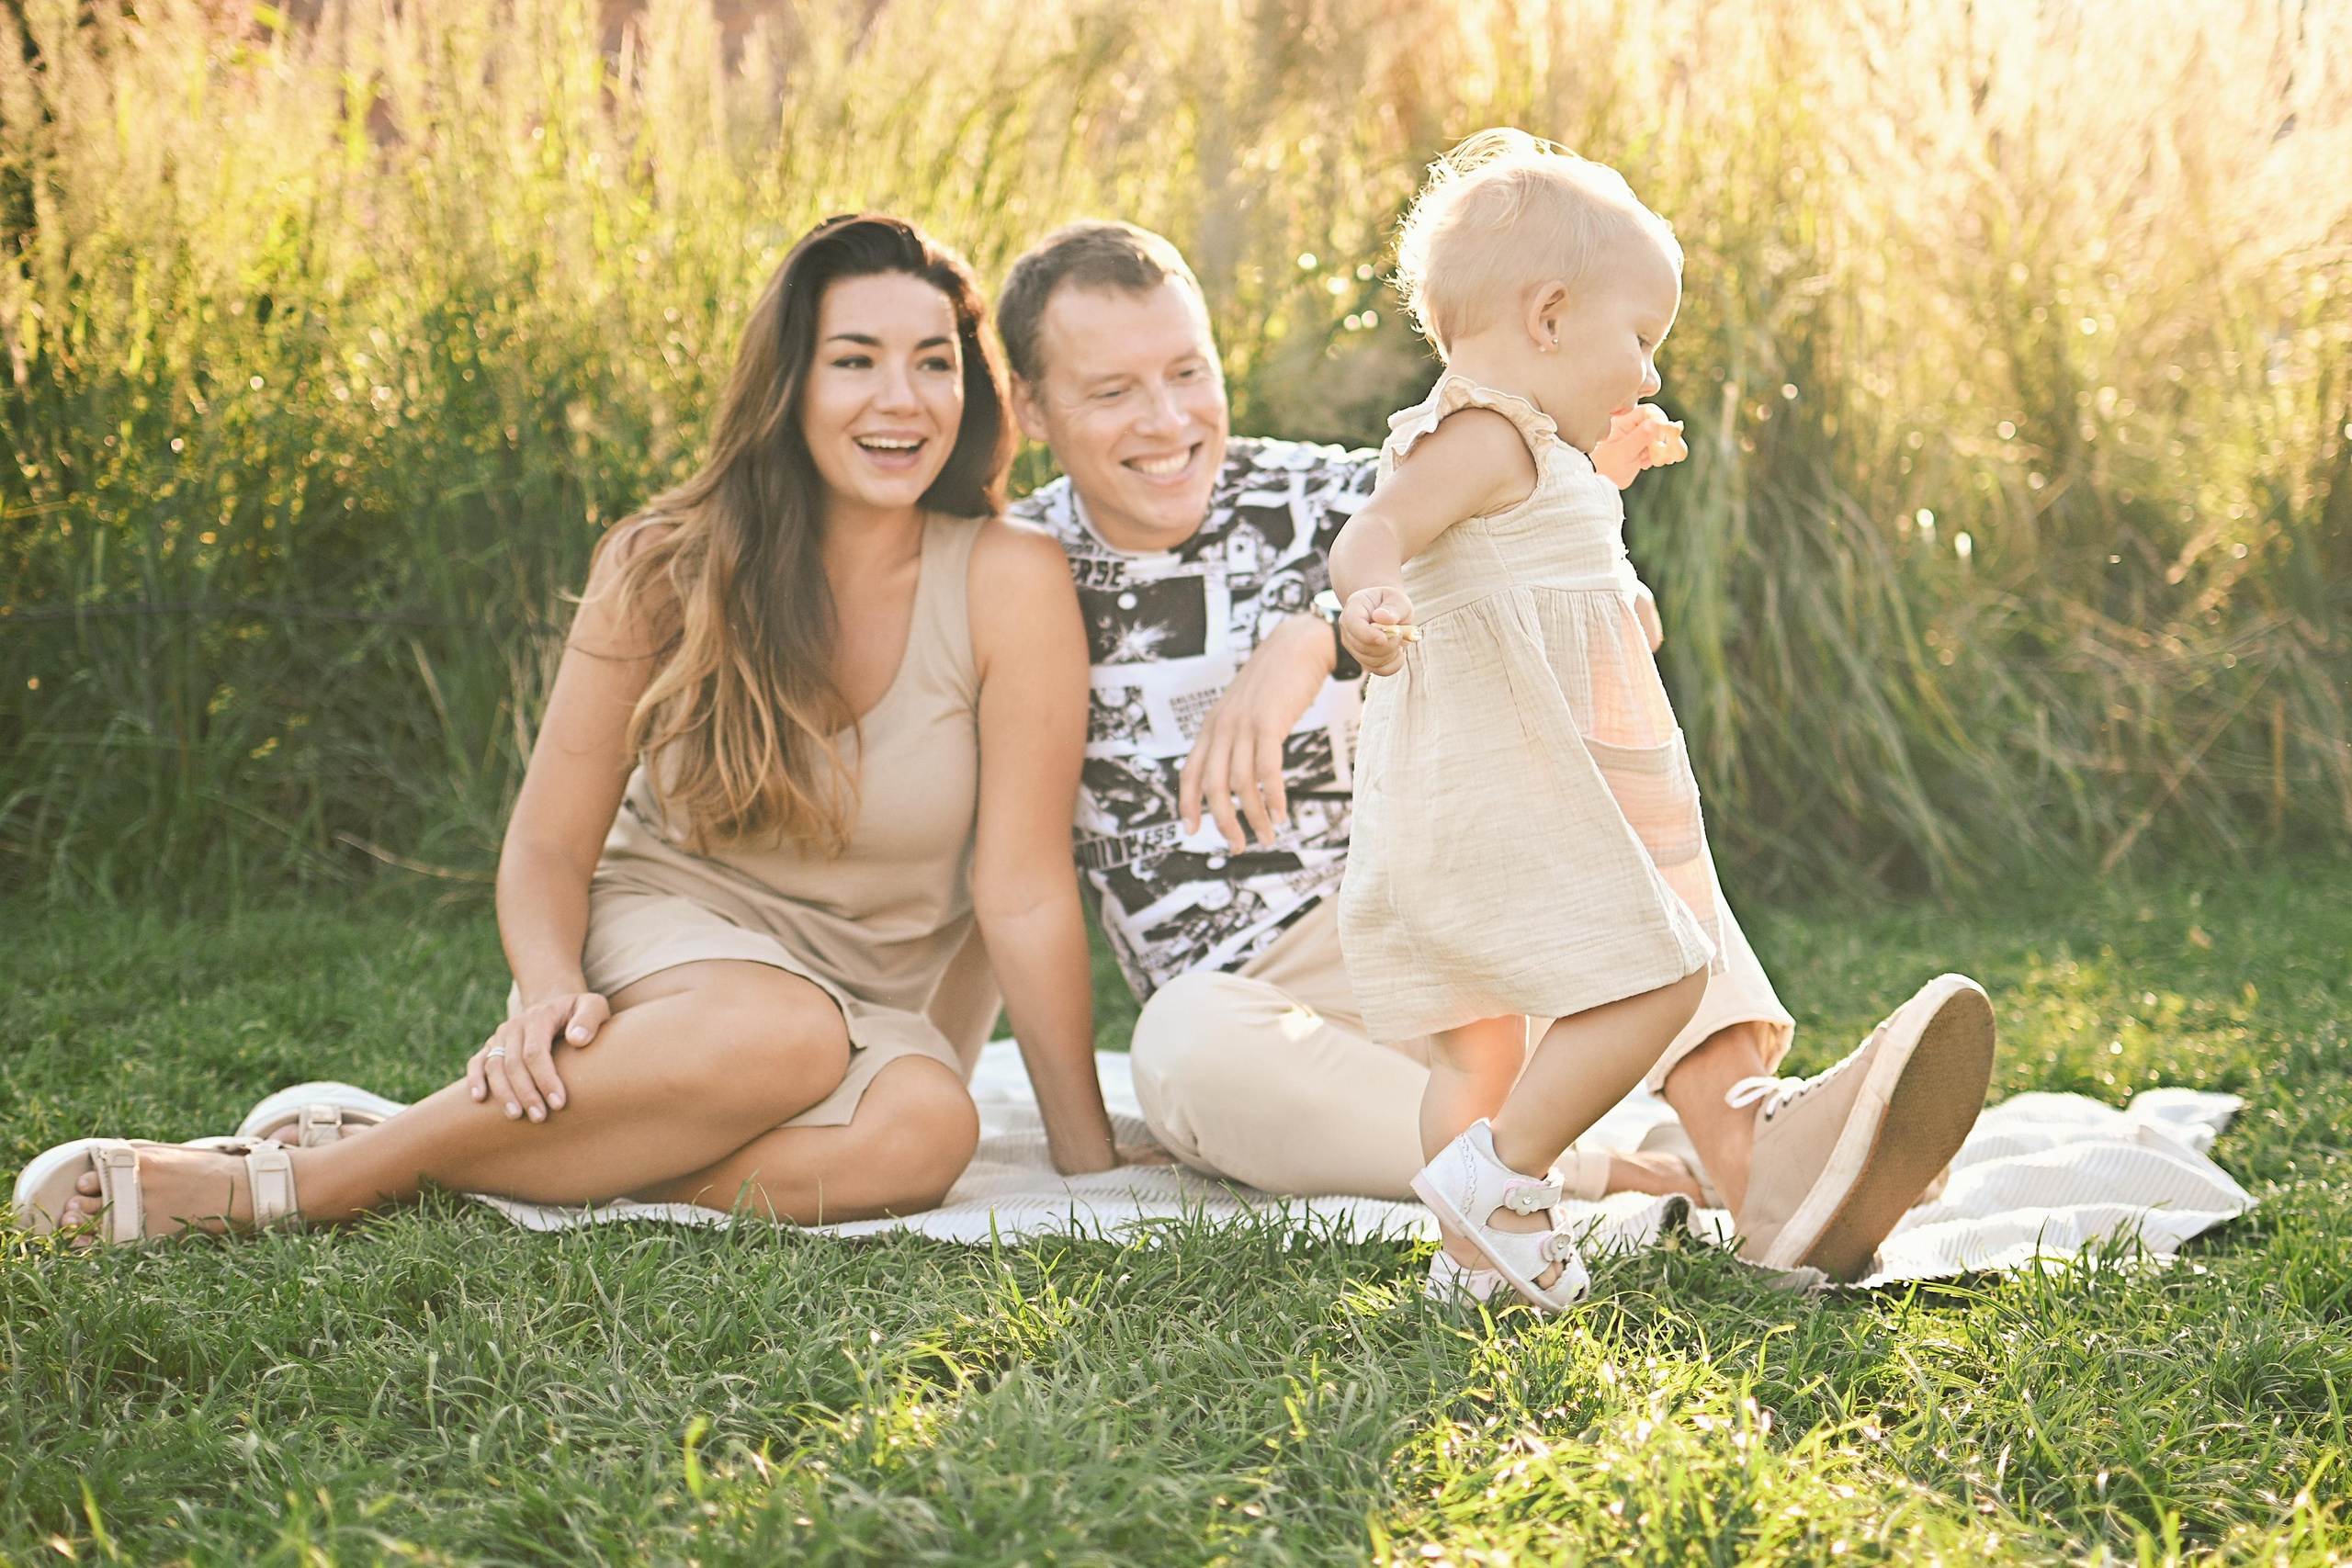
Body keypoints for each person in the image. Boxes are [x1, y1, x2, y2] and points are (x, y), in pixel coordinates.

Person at [16, 214, 1136, 1244]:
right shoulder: (662, 564)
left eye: (933, 362)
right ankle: (294, 1187)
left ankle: (446, 1156)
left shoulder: (1009, 578)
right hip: (670, 956)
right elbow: (550, 842)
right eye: (855, 361)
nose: (903, 399)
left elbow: (1023, 888)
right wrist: (553, 988)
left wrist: (1089, 1162)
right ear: (789, 382)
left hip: (871, 1003)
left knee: (926, 1135)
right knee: (778, 1030)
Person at [997, 206, 1995, 1290]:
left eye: (1188, 372)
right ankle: (1604, 1170)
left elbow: (1539, 554)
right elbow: (1016, 871)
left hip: (1447, 907)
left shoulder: (1327, 484)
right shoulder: (1017, 568)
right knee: (1183, 1046)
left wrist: (1317, 633)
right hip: (1261, 993)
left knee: (1615, 839)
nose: (1167, 420)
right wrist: (1080, 1147)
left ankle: (1753, 1144)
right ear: (1030, 409)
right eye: (1111, 391)